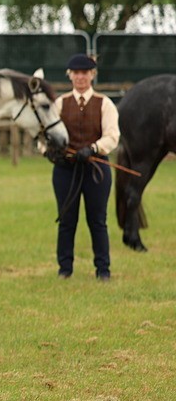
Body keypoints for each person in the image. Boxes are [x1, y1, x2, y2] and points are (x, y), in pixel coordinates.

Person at [49, 54, 119, 280]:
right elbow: (45, 138)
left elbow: (112, 136)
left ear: (92, 75)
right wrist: (51, 154)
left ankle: (103, 269)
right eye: (76, 73)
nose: (80, 77)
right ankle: (65, 269)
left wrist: (94, 148)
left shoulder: (104, 104)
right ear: (70, 76)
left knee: (97, 220)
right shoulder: (59, 104)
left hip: (95, 169)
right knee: (67, 219)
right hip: (65, 170)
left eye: (85, 73)